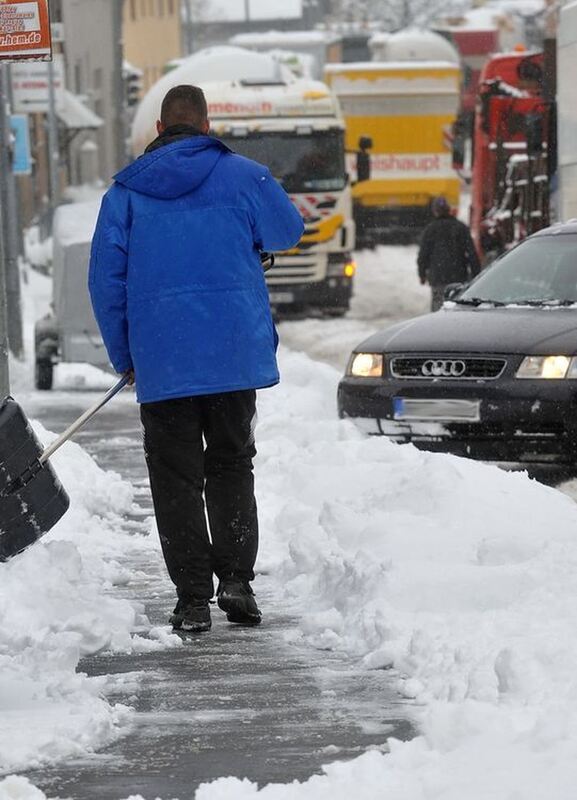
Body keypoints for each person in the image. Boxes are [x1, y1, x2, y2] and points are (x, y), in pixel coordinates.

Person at [88, 85, 304, 634]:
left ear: (159, 129)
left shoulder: (126, 193)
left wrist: (125, 354)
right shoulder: (245, 175)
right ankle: (236, 580)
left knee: (175, 477)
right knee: (232, 462)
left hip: (164, 360)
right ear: (207, 126)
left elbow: (105, 282)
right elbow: (288, 230)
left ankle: (191, 600)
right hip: (232, 355)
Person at [417, 196, 481, 311]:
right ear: (448, 209)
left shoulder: (430, 229)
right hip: (458, 276)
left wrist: (422, 274)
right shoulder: (461, 228)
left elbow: (423, 255)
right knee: (457, 306)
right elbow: (472, 253)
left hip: (438, 277)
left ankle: (438, 327)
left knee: (438, 307)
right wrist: (477, 274)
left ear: (435, 211)